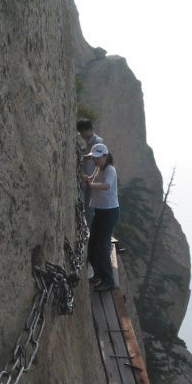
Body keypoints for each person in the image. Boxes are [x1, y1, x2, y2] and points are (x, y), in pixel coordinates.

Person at [83, 143, 119, 291]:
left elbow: (107, 185)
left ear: (105, 156)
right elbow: (91, 178)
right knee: (92, 244)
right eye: (94, 158)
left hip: (110, 212)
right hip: (100, 210)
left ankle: (108, 280)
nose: (95, 161)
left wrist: (91, 185)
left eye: (97, 158)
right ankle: (98, 275)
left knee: (102, 246)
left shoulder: (110, 170)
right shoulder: (99, 167)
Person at [77, 119, 103, 224]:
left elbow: (97, 156)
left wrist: (85, 155)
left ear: (88, 130)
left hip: (93, 180)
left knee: (90, 209)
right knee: (88, 208)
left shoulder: (98, 141)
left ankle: (93, 234)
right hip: (88, 179)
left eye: (81, 132)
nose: (81, 134)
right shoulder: (89, 142)